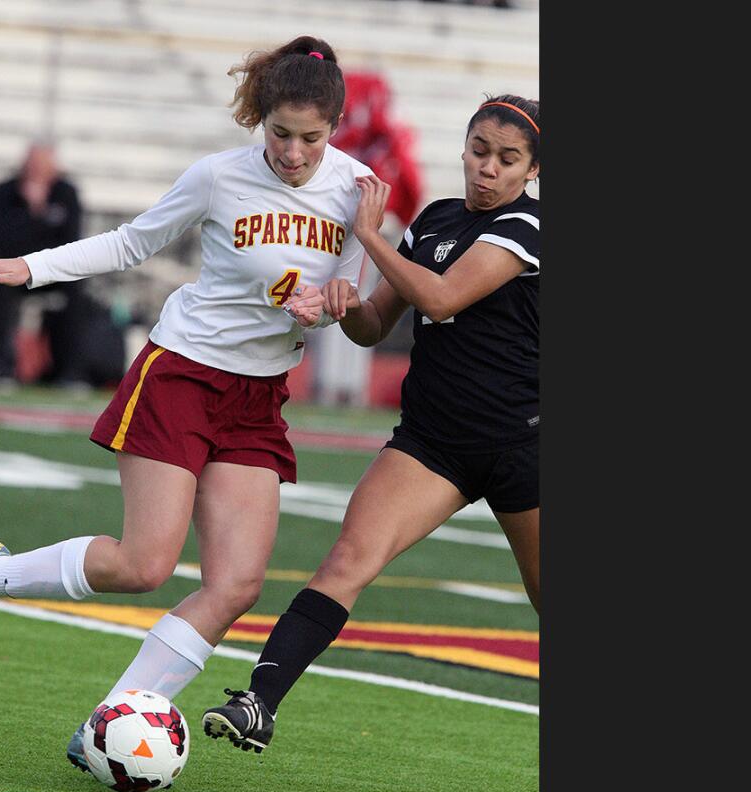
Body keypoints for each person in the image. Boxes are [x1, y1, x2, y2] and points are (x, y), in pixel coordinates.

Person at [0, 36, 376, 774]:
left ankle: (106, 726)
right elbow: (131, 244)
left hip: (259, 397)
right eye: (280, 133)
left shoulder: (358, 191)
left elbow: (350, 299)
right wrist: (30, 267)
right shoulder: (218, 177)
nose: (292, 152)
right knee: (144, 563)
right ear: (262, 121)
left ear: (335, 127)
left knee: (236, 585)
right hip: (184, 373)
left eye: (310, 139)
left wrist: (334, 302)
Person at [201, 94, 540, 754]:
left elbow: (441, 297)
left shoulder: (529, 225)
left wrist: (369, 236)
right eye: (478, 152)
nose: (487, 170)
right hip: (434, 442)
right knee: (346, 561)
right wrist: (345, 303)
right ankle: (258, 702)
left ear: (531, 171)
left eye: (507, 160)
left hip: (526, 440)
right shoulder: (438, 219)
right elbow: (373, 328)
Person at [0, 142, 87, 383]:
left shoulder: (66, 194)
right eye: (32, 165)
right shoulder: (7, 193)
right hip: (18, 271)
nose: (36, 171)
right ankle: (1, 368)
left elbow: (70, 241)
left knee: (76, 291)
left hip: (53, 274)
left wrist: (39, 211)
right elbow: (3, 241)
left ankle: (69, 372)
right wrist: (31, 212)